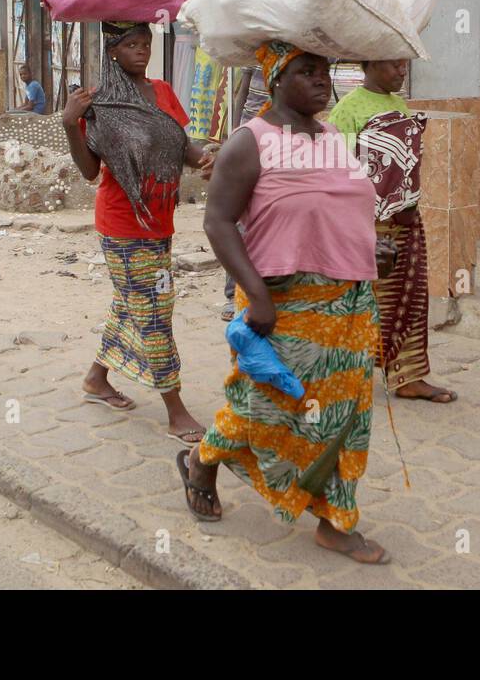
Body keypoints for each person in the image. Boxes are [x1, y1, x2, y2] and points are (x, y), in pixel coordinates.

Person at [178, 41, 393, 564]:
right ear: (275, 79)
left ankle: (335, 519)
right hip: (283, 305)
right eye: (306, 71)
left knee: (344, 417)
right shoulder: (248, 142)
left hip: (348, 304)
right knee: (268, 410)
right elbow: (218, 221)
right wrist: (255, 294)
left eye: (324, 71)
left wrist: (368, 246)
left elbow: (337, 209)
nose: (322, 80)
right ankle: (202, 458)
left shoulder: (331, 137)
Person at [62, 21, 214, 445]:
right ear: (113, 51)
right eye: (131, 44)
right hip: (123, 225)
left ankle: (96, 379)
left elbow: (180, 147)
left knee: (132, 303)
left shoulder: (162, 92)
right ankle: (175, 409)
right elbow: (90, 171)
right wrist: (70, 125)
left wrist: (207, 160)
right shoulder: (99, 103)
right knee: (154, 311)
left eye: (146, 44)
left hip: (160, 221)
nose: (141, 51)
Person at [329, 59, 456, 404]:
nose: (402, 72)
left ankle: (409, 378)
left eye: (404, 65)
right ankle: (340, 377)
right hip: (366, 226)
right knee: (361, 303)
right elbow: (338, 173)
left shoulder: (398, 104)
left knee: (410, 301)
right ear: (369, 65)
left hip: (404, 221)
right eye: (394, 66)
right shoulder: (347, 110)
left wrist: (409, 206)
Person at [219, 64, 270, 321]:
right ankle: (232, 294)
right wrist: (236, 133)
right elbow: (244, 88)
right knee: (240, 215)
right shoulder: (259, 46)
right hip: (252, 135)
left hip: (287, 136)